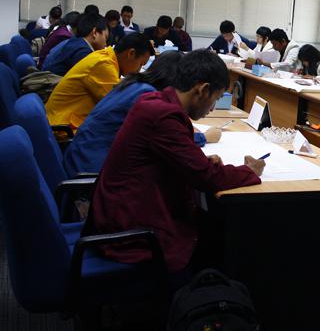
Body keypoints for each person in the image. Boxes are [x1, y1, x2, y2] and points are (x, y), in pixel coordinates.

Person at [83, 50, 264, 274]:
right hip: (130, 231)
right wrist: (249, 170)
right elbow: (206, 177)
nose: (212, 109)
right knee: (223, 240)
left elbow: (174, 158)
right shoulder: (164, 115)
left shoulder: (155, 101)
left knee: (212, 226)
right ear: (202, 89)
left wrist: (196, 159)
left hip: (119, 211)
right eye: (216, 99)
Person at [63, 52, 221, 176]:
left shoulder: (135, 84)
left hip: (81, 156)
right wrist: (203, 137)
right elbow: (168, 139)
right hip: (92, 169)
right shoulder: (147, 96)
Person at [45, 33, 154, 130]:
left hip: (65, 120)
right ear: (131, 53)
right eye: (141, 64)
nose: (139, 70)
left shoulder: (105, 57)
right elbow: (118, 106)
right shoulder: (103, 65)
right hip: (65, 128)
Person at [43, 13, 109, 76]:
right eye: (105, 37)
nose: (106, 44)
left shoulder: (75, 42)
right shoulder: (82, 51)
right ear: (94, 33)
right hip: (52, 82)